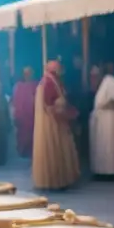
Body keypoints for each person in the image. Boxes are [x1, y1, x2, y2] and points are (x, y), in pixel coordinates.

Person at [32, 59, 81, 190]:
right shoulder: (48, 82)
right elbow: (49, 105)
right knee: (54, 148)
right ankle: (55, 179)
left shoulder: (53, 81)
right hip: (52, 122)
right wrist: (64, 114)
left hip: (57, 120)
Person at [89, 64, 114, 179]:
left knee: (110, 146)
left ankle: (111, 172)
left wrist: (103, 106)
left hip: (109, 119)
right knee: (100, 147)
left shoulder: (113, 82)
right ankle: (100, 172)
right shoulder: (103, 83)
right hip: (100, 120)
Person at [11, 67, 39, 158]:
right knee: (22, 135)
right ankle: (22, 151)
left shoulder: (37, 85)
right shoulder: (18, 86)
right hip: (22, 115)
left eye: (29, 73)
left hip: (33, 115)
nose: (28, 75)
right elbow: (14, 100)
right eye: (26, 73)